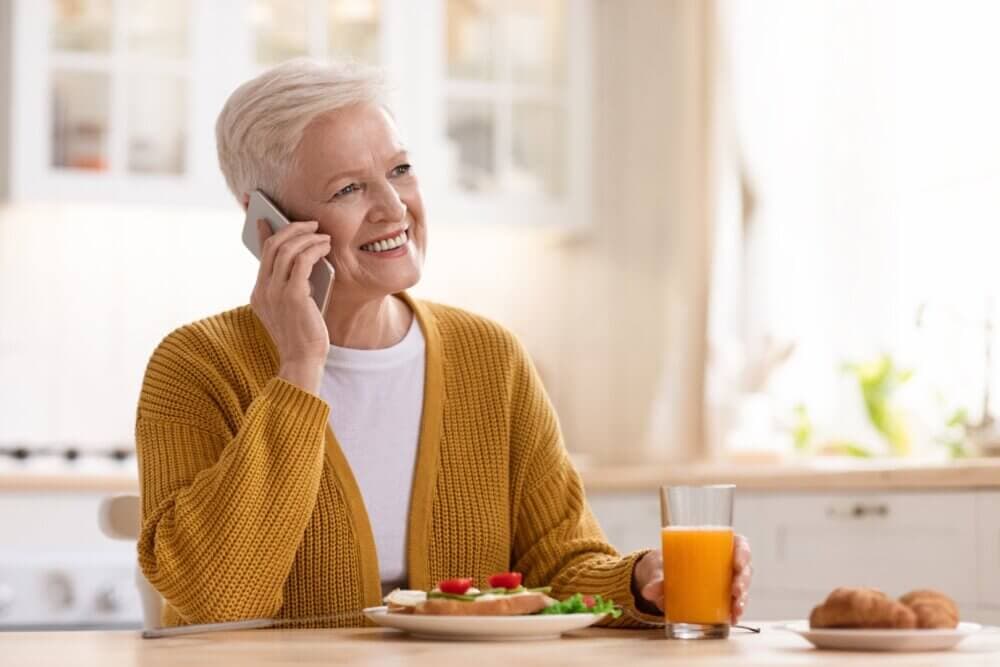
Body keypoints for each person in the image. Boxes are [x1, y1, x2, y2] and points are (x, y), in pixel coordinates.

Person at [135, 59, 752, 628]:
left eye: (399, 170)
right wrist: (300, 366)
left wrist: (642, 583)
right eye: (349, 189)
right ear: (265, 221)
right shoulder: (194, 367)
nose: (393, 207)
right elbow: (216, 600)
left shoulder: (490, 356)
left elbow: (561, 567)